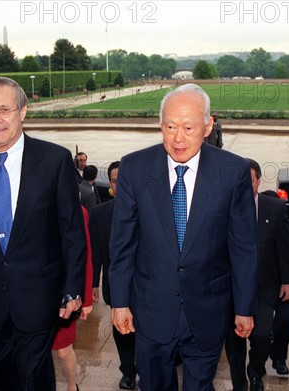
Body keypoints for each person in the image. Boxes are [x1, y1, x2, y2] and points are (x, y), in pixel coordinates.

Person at [109, 83, 258, 391]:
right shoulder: (134, 168)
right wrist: (120, 302)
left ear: (208, 126)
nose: (178, 138)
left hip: (208, 310)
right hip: (150, 311)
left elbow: (243, 247)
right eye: (170, 127)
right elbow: (122, 243)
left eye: (188, 127)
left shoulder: (233, 171)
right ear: (160, 125)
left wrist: (244, 307)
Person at [0, 76, 86, 391]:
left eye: (4, 109)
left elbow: (72, 233)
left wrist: (73, 289)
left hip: (39, 294)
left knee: (31, 374)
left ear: (23, 111)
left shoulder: (53, 160)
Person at [225, 159, 289, 391]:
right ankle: (239, 383)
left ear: (258, 181)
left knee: (262, 335)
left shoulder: (274, 208)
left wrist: (288, 280)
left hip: (264, 287)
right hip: (231, 288)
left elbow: (285, 247)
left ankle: (256, 370)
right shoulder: (225, 206)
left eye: (250, 181)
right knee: (234, 340)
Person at [89, 160, 137, 390]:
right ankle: (128, 372)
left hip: (144, 285)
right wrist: (92, 285)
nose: (121, 184)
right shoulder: (99, 214)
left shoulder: (145, 211)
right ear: (110, 183)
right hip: (115, 285)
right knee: (121, 332)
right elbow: (96, 252)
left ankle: (147, 370)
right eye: (116, 180)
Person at [261, 191, 289, 377]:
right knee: (262, 328)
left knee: (285, 322)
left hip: (285, 284)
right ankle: (260, 358)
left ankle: (279, 358)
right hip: (263, 283)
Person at [52, 206, 94, 391]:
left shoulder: (77, 211)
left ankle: (71, 386)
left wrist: (86, 300)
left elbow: (85, 255)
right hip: (35, 291)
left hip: (65, 293)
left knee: (62, 351)